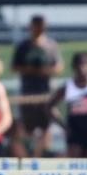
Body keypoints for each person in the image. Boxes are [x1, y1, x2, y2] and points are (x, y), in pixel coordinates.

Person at [11, 15, 63, 157]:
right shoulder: (24, 46)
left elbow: (58, 67)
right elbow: (15, 67)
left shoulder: (51, 45)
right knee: (26, 128)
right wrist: (31, 70)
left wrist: (44, 71)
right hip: (28, 94)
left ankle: (38, 157)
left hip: (45, 94)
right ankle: (27, 157)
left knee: (46, 128)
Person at [47, 52, 87, 158]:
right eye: (79, 64)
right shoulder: (68, 86)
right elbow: (49, 106)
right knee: (74, 164)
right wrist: (64, 126)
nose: (82, 67)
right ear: (74, 66)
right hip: (75, 133)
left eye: (85, 64)